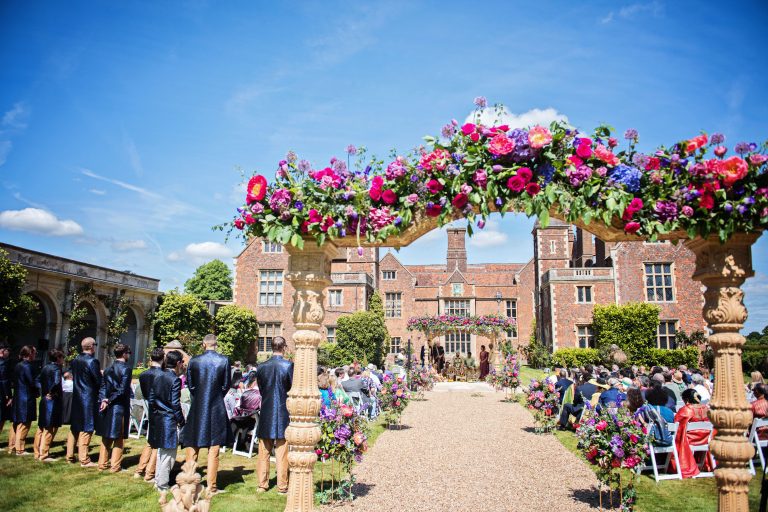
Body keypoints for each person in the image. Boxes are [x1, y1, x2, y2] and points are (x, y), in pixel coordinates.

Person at [181, 334, 231, 494]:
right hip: (215, 405)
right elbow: (226, 385)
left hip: (199, 405)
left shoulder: (194, 361)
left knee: (193, 443)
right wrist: (215, 397)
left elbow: (191, 384)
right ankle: (211, 486)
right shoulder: (223, 360)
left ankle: (189, 482)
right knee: (213, 447)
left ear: (204, 344)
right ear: (215, 344)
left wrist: (202, 397)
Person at [255, 335, 293, 494]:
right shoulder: (289, 365)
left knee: (263, 450)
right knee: (282, 450)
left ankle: (262, 484)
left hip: (267, 409)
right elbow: (291, 388)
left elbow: (262, 388)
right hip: (283, 409)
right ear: (283, 347)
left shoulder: (261, 366)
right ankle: (282, 485)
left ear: (272, 347)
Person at [149, 350, 186, 493]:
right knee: (168, 455)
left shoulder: (158, 376)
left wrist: (158, 411)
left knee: (161, 453)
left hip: (159, 417)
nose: (183, 365)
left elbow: (152, 399)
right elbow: (175, 404)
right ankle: (162, 485)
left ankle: (158, 481)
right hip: (169, 419)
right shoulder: (175, 379)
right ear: (178, 363)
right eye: (182, 362)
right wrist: (181, 421)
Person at [96, 343, 133, 472]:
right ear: (124, 354)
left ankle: (102, 463)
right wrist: (108, 400)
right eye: (129, 353)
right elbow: (123, 390)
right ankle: (115, 465)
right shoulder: (126, 369)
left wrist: (104, 399)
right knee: (118, 437)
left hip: (109, 404)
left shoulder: (108, 368)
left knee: (106, 436)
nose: (129, 355)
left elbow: (103, 387)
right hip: (119, 406)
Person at [67, 337, 102, 467]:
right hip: (88, 396)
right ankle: (84, 459)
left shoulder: (76, 360)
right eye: (95, 345)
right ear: (92, 346)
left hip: (77, 395)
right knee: (87, 427)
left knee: (75, 426)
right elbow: (97, 380)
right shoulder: (92, 361)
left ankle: (69, 455)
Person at [134, 347, 166, 481]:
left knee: (150, 440)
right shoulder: (162, 375)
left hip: (149, 407)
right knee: (157, 442)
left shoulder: (143, 374)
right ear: (163, 359)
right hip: (160, 409)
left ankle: (139, 470)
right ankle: (149, 473)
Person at [671, 389, 713, 478]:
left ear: (686, 400)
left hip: (690, 440)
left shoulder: (687, 409)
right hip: (706, 439)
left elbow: (677, 424)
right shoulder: (706, 408)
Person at [34, 349, 64, 461]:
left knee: (41, 427)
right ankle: (44, 454)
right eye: (62, 357)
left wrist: (43, 390)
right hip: (52, 400)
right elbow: (56, 382)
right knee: (49, 427)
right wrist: (50, 392)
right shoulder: (56, 368)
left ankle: (37, 452)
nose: (63, 360)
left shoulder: (45, 367)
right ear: (58, 358)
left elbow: (37, 380)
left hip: (44, 400)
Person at [12, 345, 38, 455]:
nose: (35, 355)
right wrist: (37, 390)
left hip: (18, 395)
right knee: (24, 423)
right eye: (34, 353)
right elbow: (31, 381)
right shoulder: (27, 366)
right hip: (26, 397)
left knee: (17, 422)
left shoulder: (18, 365)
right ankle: (20, 449)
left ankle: (12, 446)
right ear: (30, 353)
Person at [0, 342, 15, 454]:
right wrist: (9, 396)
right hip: (1, 393)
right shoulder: (3, 363)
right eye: (7, 350)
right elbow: (5, 380)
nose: (8, 352)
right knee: (1, 417)